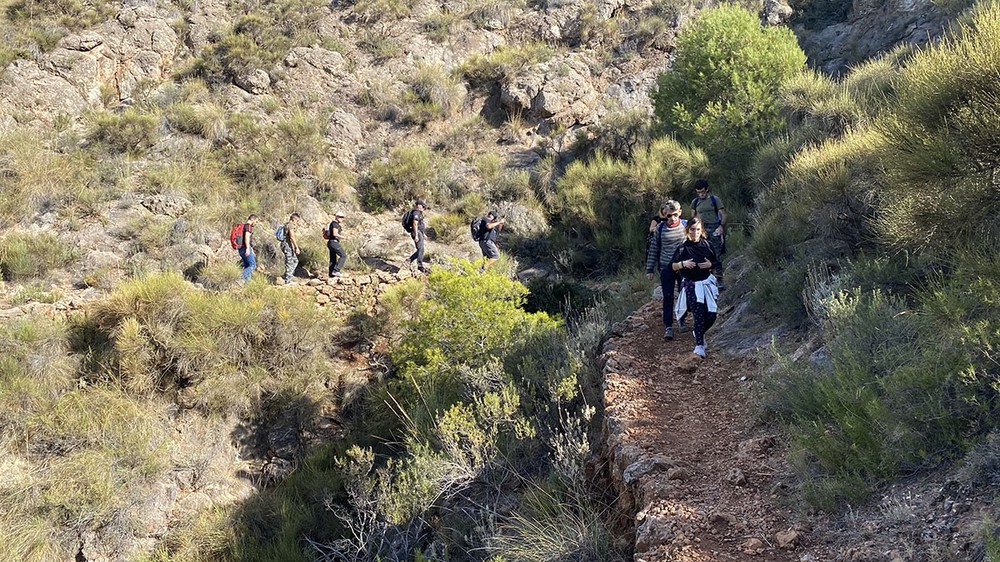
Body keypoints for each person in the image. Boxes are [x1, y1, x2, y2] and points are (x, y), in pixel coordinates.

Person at [671, 217, 719, 358]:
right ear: (687, 231)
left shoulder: (707, 245)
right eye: (692, 229)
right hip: (691, 284)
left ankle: (699, 332)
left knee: (711, 315)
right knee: (698, 314)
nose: (695, 232)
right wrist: (683, 264)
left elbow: (716, 262)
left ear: (702, 230)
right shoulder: (682, 248)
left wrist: (710, 265)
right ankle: (699, 346)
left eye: (698, 229)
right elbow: (672, 266)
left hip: (706, 283)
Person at [645, 200, 686, 339]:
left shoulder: (686, 226)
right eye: (669, 215)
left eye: (675, 214)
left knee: (684, 294)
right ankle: (668, 325)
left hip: (683, 267)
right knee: (667, 296)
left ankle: (682, 318)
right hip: (665, 267)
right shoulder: (660, 229)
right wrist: (649, 269)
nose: (672, 218)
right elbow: (654, 249)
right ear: (664, 214)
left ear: (679, 212)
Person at [690, 179, 727, 290]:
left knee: (716, 255)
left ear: (707, 189)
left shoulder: (715, 200)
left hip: (714, 229)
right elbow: (693, 218)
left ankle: (719, 279)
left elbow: (723, 215)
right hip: (701, 231)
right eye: (698, 192)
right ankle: (704, 279)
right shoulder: (695, 202)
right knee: (702, 254)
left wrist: (721, 226)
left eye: (702, 191)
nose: (701, 194)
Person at [408, 199, 428, 273]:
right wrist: (416, 235)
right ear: (419, 205)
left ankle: (409, 261)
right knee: (421, 249)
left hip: (419, 232)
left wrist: (423, 234)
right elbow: (415, 224)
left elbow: (420, 224)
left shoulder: (418, 213)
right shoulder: (416, 213)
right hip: (417, 233)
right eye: (423, 206)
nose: (423, 208)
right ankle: (420, 266)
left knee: (421, 249)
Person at [280, 213, 301, 284]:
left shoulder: (286, 224)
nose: (297, 222)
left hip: (287, 245)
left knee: (295, 260)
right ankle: (288, 280)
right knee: (290, 261)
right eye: (297, 221)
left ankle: (286, 276)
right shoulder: (290, 225)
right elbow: (292, 237)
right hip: (287, 245)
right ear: (294, 219)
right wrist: (296, 247)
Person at [237, 214, 258, 283]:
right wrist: (248, 248)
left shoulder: (243, 226)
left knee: (247, 265)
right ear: (252, 219)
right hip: (245, 248)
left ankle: (247, 283)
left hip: (240, 248)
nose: (256, 223)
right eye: (256, 221)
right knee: (253, 265)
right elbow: (247, 237)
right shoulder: (248, 226)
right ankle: (241, 276)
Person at [327, 211, 347, 277]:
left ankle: (331, 274)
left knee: (333, 259)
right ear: (337, 216)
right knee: (343, 255)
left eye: (342, 217)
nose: (342, 219)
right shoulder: (335, 224)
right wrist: (344, 238)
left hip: (330, 242)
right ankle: (336, 271)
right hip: (333, 242)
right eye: (340, 217)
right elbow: (335, 233)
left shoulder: (333, 224)